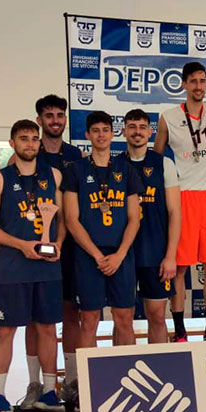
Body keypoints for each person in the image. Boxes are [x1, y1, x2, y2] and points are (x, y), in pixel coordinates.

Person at [0, 119, 65, 412]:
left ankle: (50, 391)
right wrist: (20, 244)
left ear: (40, 143)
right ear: (12, 144)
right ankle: (0, 396)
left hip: (47, 268)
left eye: (33, 138)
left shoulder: (53, 176)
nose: (29, 143)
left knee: (47, 328)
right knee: (6, 330)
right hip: (13, 267)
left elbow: (63, 219)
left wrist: (59, 245)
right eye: (23, 138)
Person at [153, 62, 206, 341]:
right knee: (180, 267)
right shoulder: (168, 117)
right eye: (194, 81)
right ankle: (180, 330)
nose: (199, 86)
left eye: (203, 81)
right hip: (183, 196)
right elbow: (156, 157)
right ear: (183, 84)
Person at [21, 94, 84, 410]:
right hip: (34, 249)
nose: (55, 120)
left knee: (72, 313)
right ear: (39, 119)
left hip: (71, 247)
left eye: (60, 115)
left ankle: (71, 382)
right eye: (49, 115)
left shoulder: (76, 156)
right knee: (35, 318)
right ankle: (35, 385)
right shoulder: (30, 153)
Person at [62, 111, 142, 354]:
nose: (100, 135)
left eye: (105, 130)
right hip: (88, 257)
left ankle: (127, 373)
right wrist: (97, 256)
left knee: (125, 319)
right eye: (95, 131)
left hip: (121, 256)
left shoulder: (125, 169)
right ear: (87, 134)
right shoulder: (75, 170)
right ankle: (89, 386)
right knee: (88, 321)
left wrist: (119, 255)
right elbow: (71, 220)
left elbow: (134, 219)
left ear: (113, 133)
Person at [123, 109, 180, 343]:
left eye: (142, 127)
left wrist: (171, 255)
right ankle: (121, 372)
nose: (137, 132)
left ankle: (162, 371)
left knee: (156, 315)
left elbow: (175, 211)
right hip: (123, 254)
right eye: (132, 127)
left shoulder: (163, 163)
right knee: (122, 317)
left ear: (149, 132)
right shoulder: (114, 164)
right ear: (124, 130)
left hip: (155, 253)